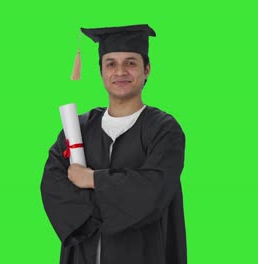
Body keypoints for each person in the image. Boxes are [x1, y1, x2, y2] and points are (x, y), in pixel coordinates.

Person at [41, 24, 187, 264]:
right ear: (100, 71)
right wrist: (115, 199)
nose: (120, 72)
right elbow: (53, 187)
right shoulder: (77, 128)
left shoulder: (164, 129)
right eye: (111, 63)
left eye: (130, 62)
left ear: (147, 69)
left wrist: (91, 180)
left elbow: (154, 190)